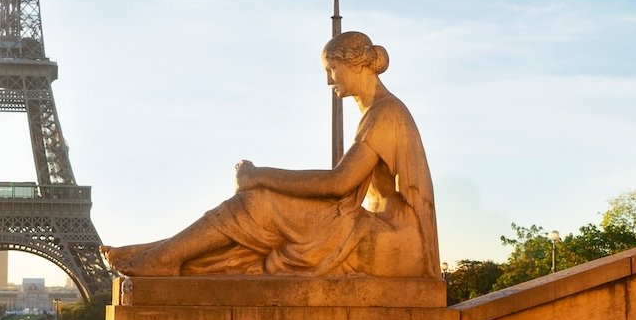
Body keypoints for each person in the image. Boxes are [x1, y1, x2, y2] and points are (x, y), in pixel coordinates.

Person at [103, 31, 439, 278]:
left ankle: (163, 257)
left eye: (332, 68)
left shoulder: (385, 113)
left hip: (393, 244)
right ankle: (162, 255)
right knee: (263, 208)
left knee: (259, 202)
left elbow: (340, 182)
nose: (328, 80)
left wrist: (259, 175)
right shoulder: (379, 111)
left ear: (354, 64)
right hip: (375, 230)